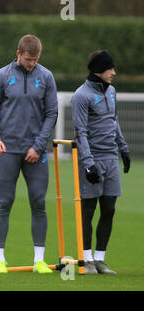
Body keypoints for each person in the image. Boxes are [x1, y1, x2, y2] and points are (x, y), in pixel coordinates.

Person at [0, 34, 58, 274]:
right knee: (4, 203)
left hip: (35, 153)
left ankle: (39, 260)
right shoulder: (1, 76)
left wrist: (38, 146)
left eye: (35, 60)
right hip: (7, 151)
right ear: (18, 54)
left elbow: (52, 114)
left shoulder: (46, 77)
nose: (32, 64)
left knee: (39, 203)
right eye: (28, 59)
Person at [71, 50, 130, 275]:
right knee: (88, 209)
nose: (114, 73)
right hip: (92, 159)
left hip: (111, 158)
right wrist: (88, 162)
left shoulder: (112, 91)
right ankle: (86, 259)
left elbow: (114, 122)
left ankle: (100, 259)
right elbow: (81, 132)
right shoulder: (81, 96)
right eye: (110, 69)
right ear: (99, 70)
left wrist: (123, 149)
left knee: (109, 208)